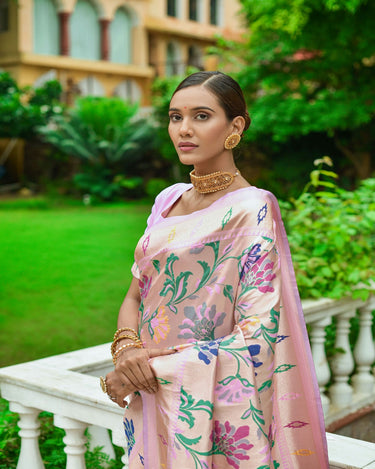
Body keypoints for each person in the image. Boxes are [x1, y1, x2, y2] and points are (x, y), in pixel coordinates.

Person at [102, 71, 329, 468]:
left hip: (205, 401)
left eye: (201, 116)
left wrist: (149, 367)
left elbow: (257, 336)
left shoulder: (251, 209)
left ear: (235, 126)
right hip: (149, 392)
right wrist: (126, 349)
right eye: (175, 117)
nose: (184, 130)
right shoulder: (168, 200)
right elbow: (138, 293)